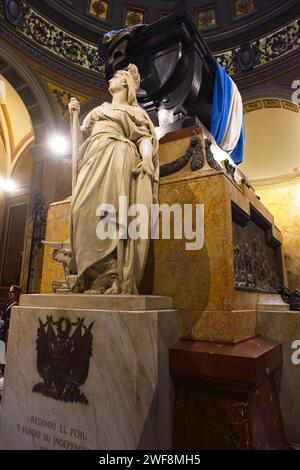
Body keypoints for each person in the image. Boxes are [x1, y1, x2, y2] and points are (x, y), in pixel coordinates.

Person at [68, 64, 159, 295]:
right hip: (92, 157)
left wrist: (147, 159)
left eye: (117, 76)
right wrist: (74, 116)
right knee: (80, 211)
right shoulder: (99, 110)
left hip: (118, 156)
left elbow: (143, 139)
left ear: (126, 83)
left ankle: (110, 275)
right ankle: (90, 272)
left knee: (110, 215)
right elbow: (79, 142)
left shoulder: (136, 113)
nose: (112, 79)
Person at [0, 285, 21, 378]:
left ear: (16, 294)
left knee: (5, 349)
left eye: (12, 293)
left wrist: (4, 322)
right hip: (2, 330)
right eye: (10, 292)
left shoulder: (16, 305)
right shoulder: (7, 304)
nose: (10, 294)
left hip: (8, 331)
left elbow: (13, 318)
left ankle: (3, 368)